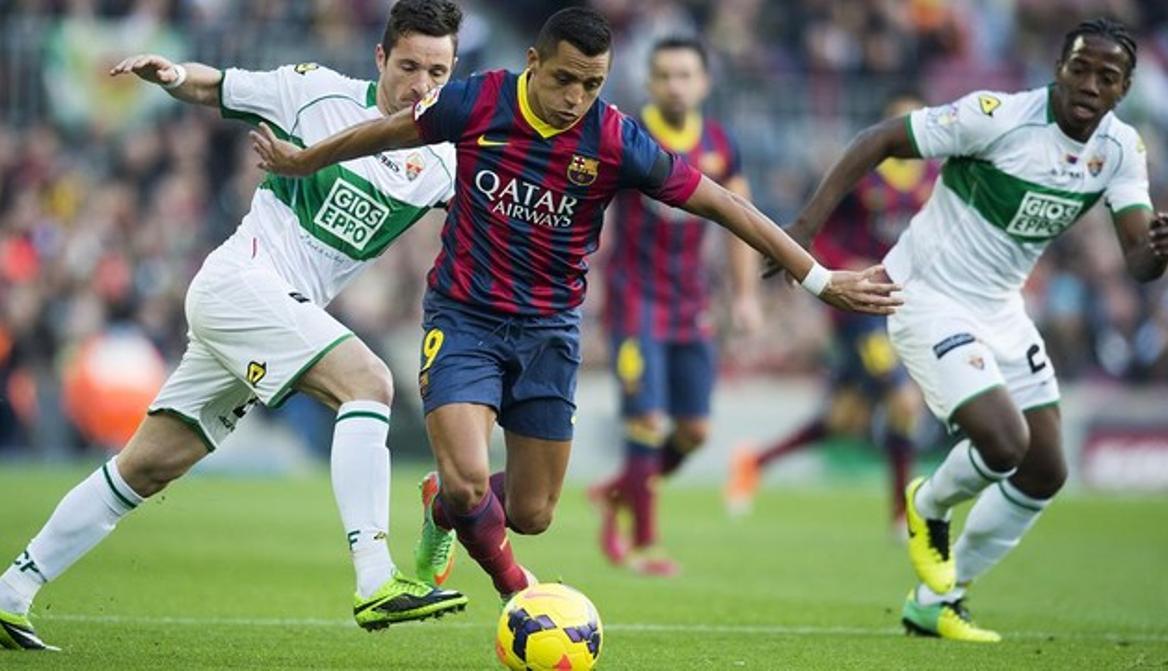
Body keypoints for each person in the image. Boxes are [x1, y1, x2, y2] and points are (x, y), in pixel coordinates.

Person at [250, 7, 901, 604]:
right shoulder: (477, 102)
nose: (575, 99)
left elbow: (723, 202)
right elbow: (385, 133)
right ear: (534, 61)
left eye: (592, 84)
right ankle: (518, 589)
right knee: (473, 476)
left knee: (532, 512)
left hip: (550, 332)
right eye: (565, 80)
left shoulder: (614, 140)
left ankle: (443, 508)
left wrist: (818, 278)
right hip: (464, 317)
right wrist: (303, 161)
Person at [0, 0, 470, 652]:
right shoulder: (314, 94)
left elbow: (502, 199)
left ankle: (10, 592)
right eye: (411, 66)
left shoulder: (441, 157)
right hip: (242, 286)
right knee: (369, 381)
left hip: (276, 311)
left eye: (438, 72)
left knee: (146, 467)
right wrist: (171, 75)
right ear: (381, 57)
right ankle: (375, 577)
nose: (422, 85)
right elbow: (218, 84)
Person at [776, 18, 1168, 642]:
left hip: (999, 308)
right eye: (1080, 68)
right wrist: (800, 233)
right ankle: (928, 506)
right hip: (927, 295)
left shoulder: (1121, 150)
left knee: (1046, 468)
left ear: (1123, 90)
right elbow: (879, 137)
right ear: (1059, 67)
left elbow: (1138, 262)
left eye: (1108, 77)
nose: (1090, 84)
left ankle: (938, 599)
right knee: (1003, 444)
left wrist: (1157, 250)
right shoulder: (997, 117)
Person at [589, 36, 763, 577]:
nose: (675, 85)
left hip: (691, 302)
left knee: (694, 432)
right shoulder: (625, 135)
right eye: (664, 75)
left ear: (704, 83)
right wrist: (589, 287)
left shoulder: (719, 144)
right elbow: (594, 209)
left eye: (685, 75)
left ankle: (622, 491)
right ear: (649, 82)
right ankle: (643, 544)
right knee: (645, 419)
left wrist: (747, 295)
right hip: (635, 298)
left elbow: (740, 220)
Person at [725, 92, 933, 535]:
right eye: (900, 121)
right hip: (857, 308)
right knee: (903, 400)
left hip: (901, 303)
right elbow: (821, 232)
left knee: (845, 418)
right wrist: (844, 266)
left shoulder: (932, 177)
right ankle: (902, 515)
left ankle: (754, 462)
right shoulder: (864, 175)